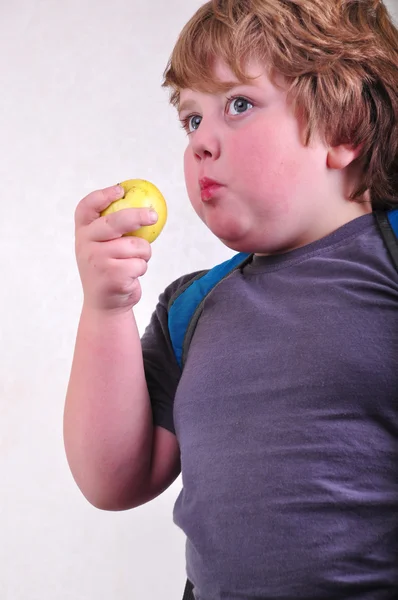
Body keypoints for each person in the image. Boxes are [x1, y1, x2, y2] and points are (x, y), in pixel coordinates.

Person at [64, 1, 398, 598]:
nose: (201, 144)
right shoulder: (193, 306)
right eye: (191, 120)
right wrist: (107, 308)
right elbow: (114, 479)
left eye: (238, 105)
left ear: (344, 127)